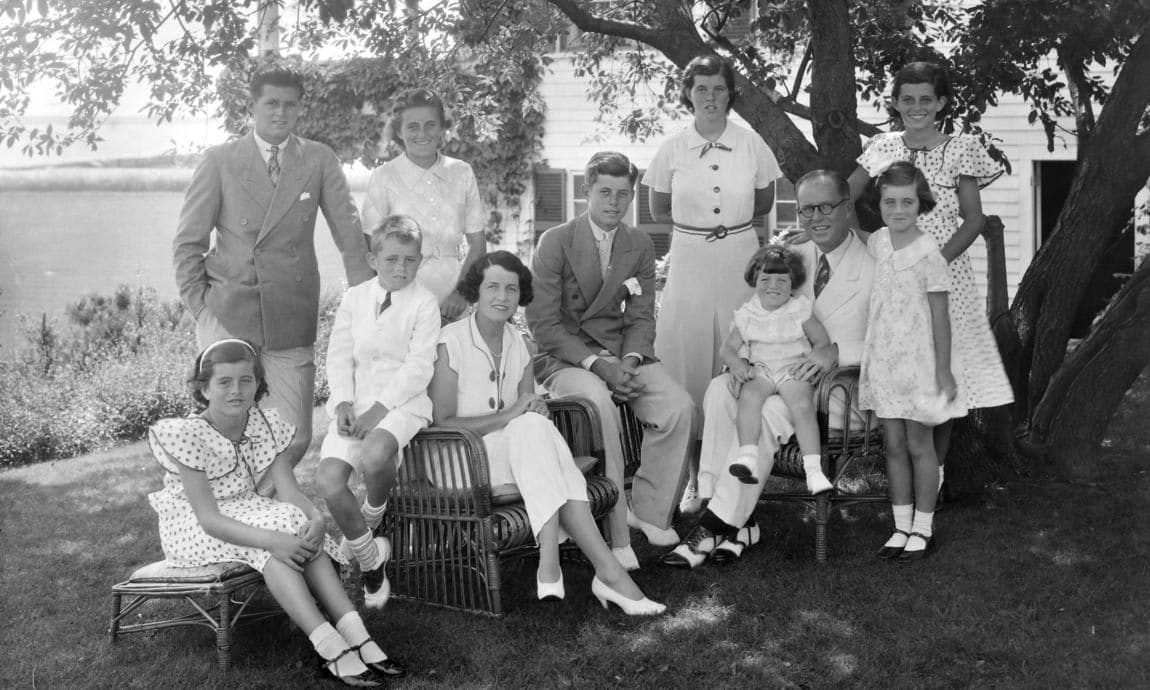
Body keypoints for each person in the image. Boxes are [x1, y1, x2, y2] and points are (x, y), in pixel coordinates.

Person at [146, 339, 403, 687]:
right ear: (203, 388)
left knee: (294, 521)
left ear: (258, 383)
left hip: (246, 510)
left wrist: (315, 519)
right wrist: (275, 541)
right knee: (276, 537)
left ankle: (355, 633)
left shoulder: (263, 423)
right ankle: (328, 646)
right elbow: (208, 518)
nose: (236, 390)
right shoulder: (187, 434)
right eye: (224, 382)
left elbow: (290, 491)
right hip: (192, 525)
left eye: (246, 380)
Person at [430, 251, 666, 615]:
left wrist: (533, 408)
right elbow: (442, 422)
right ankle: (600, 572)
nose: (502, 297)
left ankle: (566, 566)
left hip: (515, 453)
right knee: (531, 429)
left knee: (534, 424)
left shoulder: (519, 344)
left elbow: (525, 406)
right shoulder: (451, 342)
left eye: (512, 288)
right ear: (474, 291)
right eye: (492, 286)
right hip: (460, 458)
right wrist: (515, 414)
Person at [664, 170, 875, 568]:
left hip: (837, 393)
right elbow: (764, 317)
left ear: (847, 207)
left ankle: (714, 526)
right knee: (718, 390)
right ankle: (729, 511)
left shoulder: (876, 262)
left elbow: (894, 340)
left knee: (764, 412)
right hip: (779, 378)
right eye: (806, 209)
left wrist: (836, 352)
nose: (815, 217)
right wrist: (742, 362)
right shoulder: (796, 258)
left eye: (825, 206)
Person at [173, 62, 373, 474]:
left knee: (295, 436)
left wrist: (369, 305)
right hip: (228, 311)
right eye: (271, 104)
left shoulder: (318, 159)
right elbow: (188, 243)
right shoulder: (220, 160)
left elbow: (349, 233)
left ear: (300, 109)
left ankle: (250, 508)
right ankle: (237, 524)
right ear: (253, 106)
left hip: (290, 313)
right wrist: (202, 309)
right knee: (225, 433)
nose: (280, 113)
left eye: (290, 105)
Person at [848, 60, 1012, 494]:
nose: (916, 107)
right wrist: (864, 238)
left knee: (941, 378)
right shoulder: (883, 146)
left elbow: (973, 219)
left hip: (946, 275)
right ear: (895, 103)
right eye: (907, 100)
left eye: (926, 99)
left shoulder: (961, 147)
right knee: (903, 368)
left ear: (940, 102)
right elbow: (843, 195)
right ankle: (913, 476)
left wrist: (935, 261)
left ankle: (932, 479)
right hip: (896, 280)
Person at [528, 151, 695, 571]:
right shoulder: (555, 242)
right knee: (600, 404)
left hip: (624, 355)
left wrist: (631, 363)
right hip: (567, 360)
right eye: (605, 192)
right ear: (587, 192)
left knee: (680, 408)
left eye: (623, 194)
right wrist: (599, 367)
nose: (614, 202)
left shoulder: (638, 243)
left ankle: (650, 511)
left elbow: (641, 316)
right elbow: (544, 326)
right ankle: (618, 533)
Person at [642, 54, 781, 512]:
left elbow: (763, 201)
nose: (709, 98)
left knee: (741, 351)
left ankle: (734, 475)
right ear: (688, 94)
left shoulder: (751, 143)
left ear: (730, 93)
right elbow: (659, 208)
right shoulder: (672, 148)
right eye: (700, 88)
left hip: (740, 256)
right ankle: (688, 478)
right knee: (687, 356)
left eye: (718, 88)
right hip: (689, 258)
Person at [315, 216, 440, 609]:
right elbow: (338, 357)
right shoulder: (354, 298)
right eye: (391, 259)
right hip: (356, 403)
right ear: (372, 258)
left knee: (373, 455)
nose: (400, 268)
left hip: (403, 403)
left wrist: (378, 411)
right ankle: (372, 559)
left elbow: (419, 366)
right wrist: (343, 404)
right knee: (330, 482)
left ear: (420, 261)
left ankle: (369, 518)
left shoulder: (424, 302)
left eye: (410, 259)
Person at [863, 161, 961, 561]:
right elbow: (850, 237)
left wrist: (942, 371)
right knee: (895, 445)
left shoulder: (930, 254)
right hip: (884, 360)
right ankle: (900, 525)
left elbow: (941, 316)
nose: (898, 210)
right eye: (890, 202)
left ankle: (924, 526)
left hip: (919, 364)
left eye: (907, 202)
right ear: (880, 204)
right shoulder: (878, 242)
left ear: (921, 204)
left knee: (921, 445)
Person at [360, 88, 487, 322]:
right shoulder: (384, 176)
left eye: (430, 124)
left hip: (453, 300)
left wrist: (461, 294)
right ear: (399, 131)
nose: (422, 133)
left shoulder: (462, 172)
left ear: (442, 128)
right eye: (412, 126)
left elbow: (478, 244)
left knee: (452, 358)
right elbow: (370, 246)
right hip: (400, 299)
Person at [722, 245, 833, 493]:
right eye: (765, 279)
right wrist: (737, 364)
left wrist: (813, 360)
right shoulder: (748, 314)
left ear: (793, 283)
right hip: (761, 369)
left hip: (791, 369)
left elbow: (822, 342)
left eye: (782, 280)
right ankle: (748, 457)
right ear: (754, 280)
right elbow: (728, 349)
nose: (774, 286)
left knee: (802, 406)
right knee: (749, 397)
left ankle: (813, 471)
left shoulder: (799, 310)